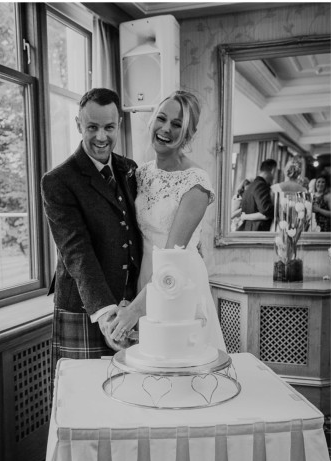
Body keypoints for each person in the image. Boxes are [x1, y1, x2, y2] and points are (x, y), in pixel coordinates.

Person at [107, 90, 226, 351]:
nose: (165, 129)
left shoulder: (196, 183)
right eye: (161, 118)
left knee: (178, 362)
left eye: (177, 125)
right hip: (146, 280)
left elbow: (174, 257)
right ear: (151, 121)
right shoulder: (141, 173)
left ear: (189, 134)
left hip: (177, 281)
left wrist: (133, 312)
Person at [41, 87, 141, 369]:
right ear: (78, 125)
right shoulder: (58, 181)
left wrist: (135, 306)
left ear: (119, 125)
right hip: (85, 307)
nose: (101, 136)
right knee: (83, 403)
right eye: (92, 127)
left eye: (109, 127)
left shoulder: (129, 169)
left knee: (131, 396)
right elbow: (76, 251)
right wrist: (108, 315)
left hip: (131, 306)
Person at [236, 159, 277, 231]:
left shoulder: (252, 186)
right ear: (273, 171)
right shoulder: (261, 186)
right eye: (276, 173)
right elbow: (266, 209)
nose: (275, 177)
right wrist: (281, 209)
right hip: (257, 230)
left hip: (248, 229)